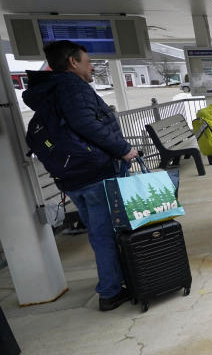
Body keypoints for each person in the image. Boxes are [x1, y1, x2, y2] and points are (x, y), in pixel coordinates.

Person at [22, 40, 139, 311]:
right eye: (88, 62)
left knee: (100, 232)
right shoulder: (72, 87)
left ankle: (116, 279)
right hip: (95, 174)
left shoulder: (49, 91)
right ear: (72, 62)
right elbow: (86, 124)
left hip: (72, 177)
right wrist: (124, 150)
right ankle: (110, 291)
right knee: (105, 234)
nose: (92, 68)